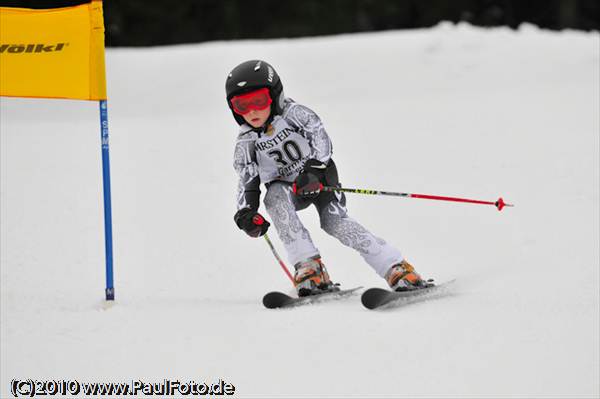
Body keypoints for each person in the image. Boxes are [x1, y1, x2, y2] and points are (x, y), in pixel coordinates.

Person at [227, 60, 426, 297]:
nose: (252, 111)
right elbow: (247, 179)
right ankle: (309, 268)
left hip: (319, 179)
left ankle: (397, 268)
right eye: (241, 105)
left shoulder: (295, 114)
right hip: (287, 189)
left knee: (334, 222)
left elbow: (320, 138)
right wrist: (246, 212)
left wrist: (313, 171)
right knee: (274, 197)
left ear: (275, 95)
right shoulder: (245, 143)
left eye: (259, 100)